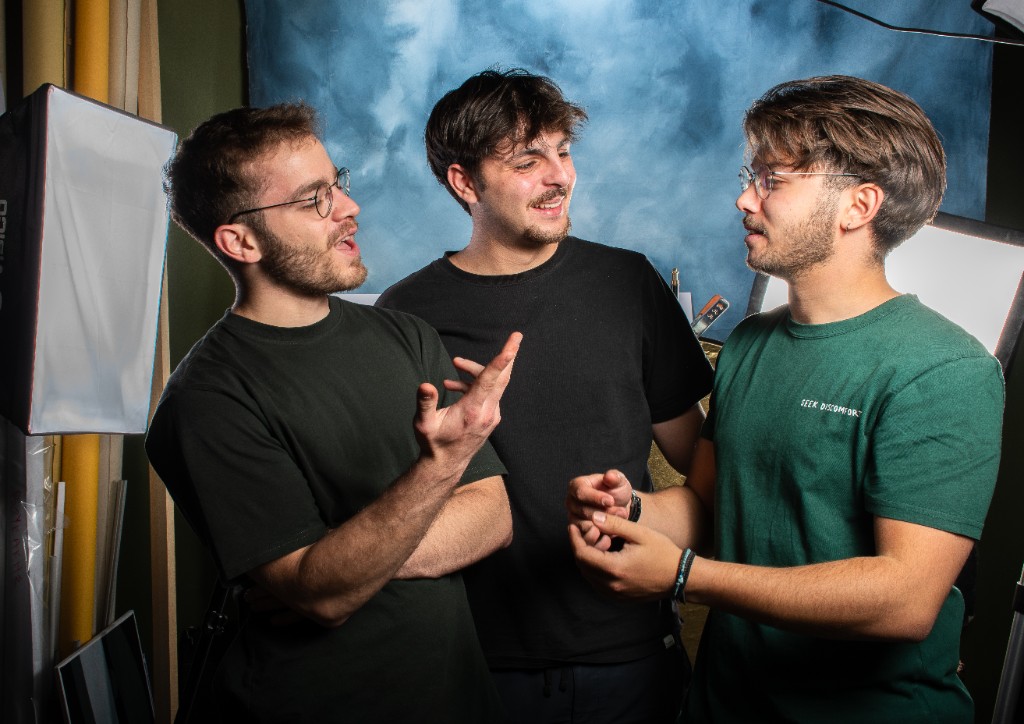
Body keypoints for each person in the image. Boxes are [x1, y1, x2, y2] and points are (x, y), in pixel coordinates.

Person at [567, 75, 1005, 723]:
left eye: (773, 180)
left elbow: (905, 600)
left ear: (857, 206)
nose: (745, 199)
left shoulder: (943, 368)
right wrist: (632, 510)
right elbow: (710, 508)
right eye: (753, 176)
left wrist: (685, 577)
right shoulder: (749, 344)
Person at [146, 102, 522, 723]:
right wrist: (439, 471)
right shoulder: (206, 403)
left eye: (336, 184)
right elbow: (325, 601)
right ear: (239, 240)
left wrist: (344, 566)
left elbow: (493, 518)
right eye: (311, 199)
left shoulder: (407, 337)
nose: (348, 209)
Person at [377, 68, 714, 723]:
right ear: (464, 182)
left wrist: (635, 508)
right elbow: (390, 505)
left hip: (632, 656)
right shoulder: (406, 314)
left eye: (563, 151)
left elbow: (706, 478)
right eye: (529, 160)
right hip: (470, 662)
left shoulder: (627, 283)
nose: (559, 175)